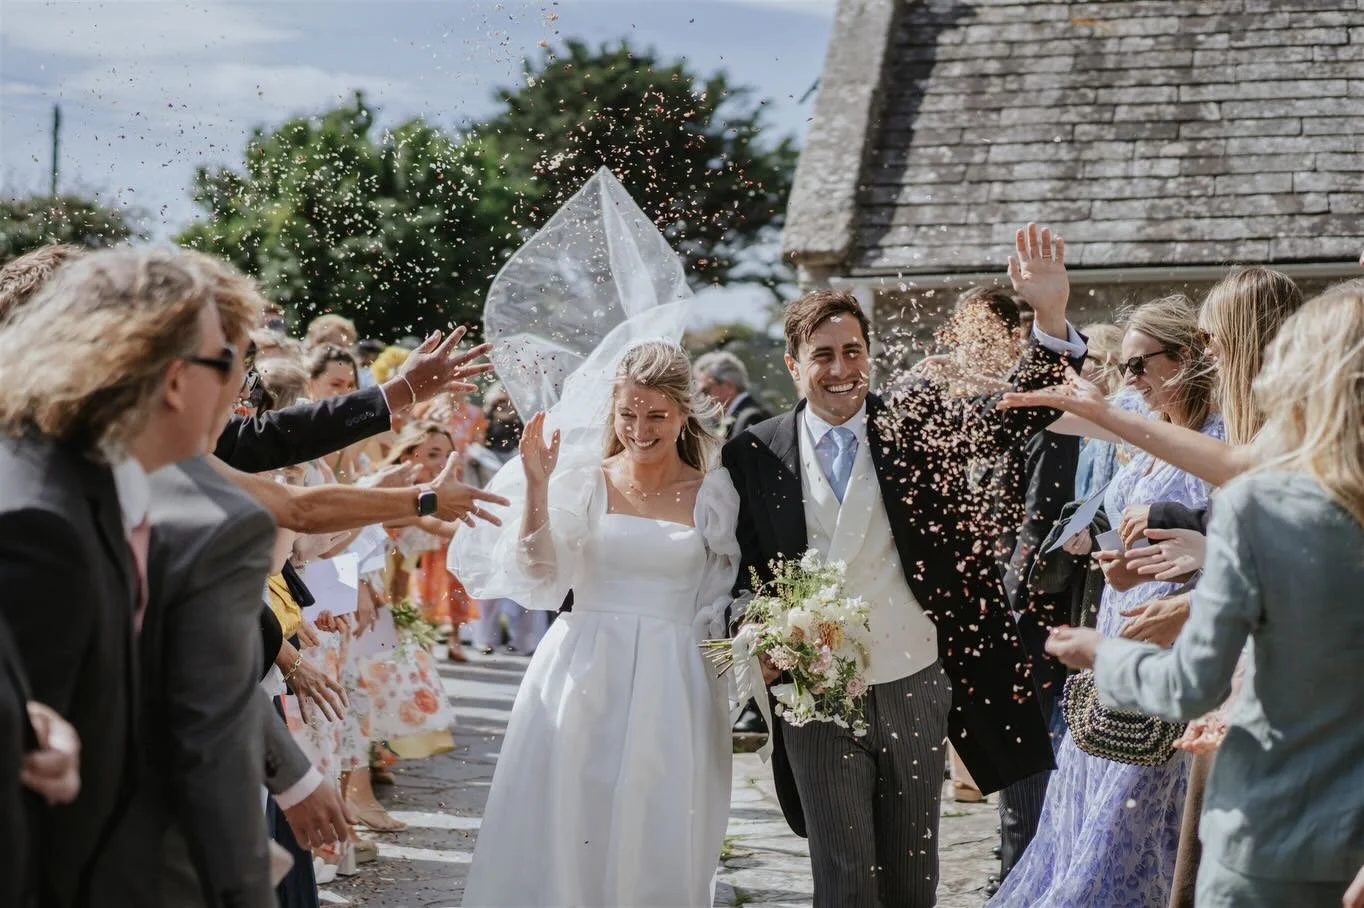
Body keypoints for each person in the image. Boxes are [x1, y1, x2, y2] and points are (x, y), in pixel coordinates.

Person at [723, 223, 1085, 908]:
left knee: (913, 873)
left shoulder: (914, 427)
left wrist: (1050, 316)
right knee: (843, 873)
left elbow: (1017, 413)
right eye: (823, 355)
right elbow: (741, 572)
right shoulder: (753, 453)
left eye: (853, 351)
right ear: (793, 364)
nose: (841, 369)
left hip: (916, 679)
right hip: (813, 691)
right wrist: (756, 632)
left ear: (870, 354)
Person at [1044, 283, 1364, 908]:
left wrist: (1098, 652)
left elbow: (1187, 685)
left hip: (1268, 835)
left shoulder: (1259, 506)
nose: (1212, 353)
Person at [452, 341, 739, 906]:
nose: (639, 429)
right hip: (582, 667)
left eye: (656, 416)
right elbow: (541, 573)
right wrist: (537, 485)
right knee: (571, 812)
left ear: (683, 412)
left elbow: (721, 596)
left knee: (653, 816)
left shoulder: (713, 494)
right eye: (628, 414)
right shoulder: (585, 480)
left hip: (672, 676)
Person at [0, 246, 242, 907]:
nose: (236, 386)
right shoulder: (41, 530)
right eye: (224, 361)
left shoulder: (95, 492)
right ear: (174, 381)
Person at [989, 293, 1223, 908]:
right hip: (1118, 630)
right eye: (1123, 367)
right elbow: (1054, 415)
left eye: (1139, 365)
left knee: (1130, 824)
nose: (1130, 380)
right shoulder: (1145, 418)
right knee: (1082, 806)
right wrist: (1048, 313)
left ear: (1187, 358)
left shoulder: (1222, 437)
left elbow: (1241, 544)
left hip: (1175, 643)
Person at [694, 350, 771, 439]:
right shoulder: (745, 417)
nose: (702, 398)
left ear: (729, 386)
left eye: (706, 390)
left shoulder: (752, 418)